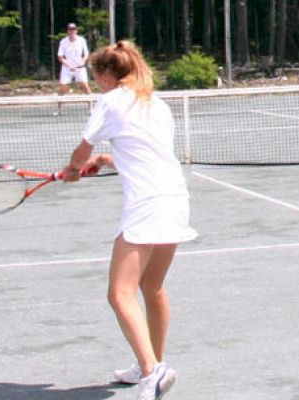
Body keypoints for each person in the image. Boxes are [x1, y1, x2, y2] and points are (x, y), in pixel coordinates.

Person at [63, 40, 197, 400]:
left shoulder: (108, 101)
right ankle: (151, 363)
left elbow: (81, 150)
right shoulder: (157, 103)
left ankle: (153, 371)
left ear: (106, 74)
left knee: (119, 293)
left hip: (146, 205)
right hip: (175, 198)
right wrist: (107, 161)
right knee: (152, 287)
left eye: (97, 76)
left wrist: (74, 169)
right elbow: (147, 154)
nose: (99, 82)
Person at [56, 22, 91, 116]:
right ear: (68, 31)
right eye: (70, 29)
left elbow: (86, 54)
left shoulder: (82, 40)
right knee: (63, 88)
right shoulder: (63, 41)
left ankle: (91, 108)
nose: (72, 31)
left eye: (74, 29)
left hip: (79, 68)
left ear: (76, 30)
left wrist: (83, 61)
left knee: (85, 86)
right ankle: (59, 110)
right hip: (67, 68)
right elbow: (60, 57)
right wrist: (69, 65)